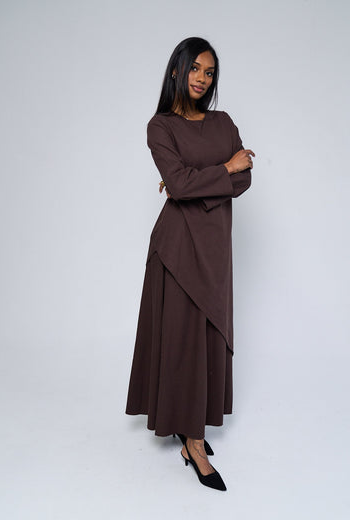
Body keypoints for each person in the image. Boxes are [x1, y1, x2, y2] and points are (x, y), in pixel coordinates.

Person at [125, 36, 255, 491]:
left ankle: (191, 427)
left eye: (210, 71)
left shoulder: (223, 122)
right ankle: (193, 444)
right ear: (177, 70)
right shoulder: (160, 127)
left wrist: (196, 181)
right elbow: (180, 186)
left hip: (215, 247)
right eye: (195, 68)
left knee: (207, 336)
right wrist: (223, 170)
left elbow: (244, 181)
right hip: (177, 249)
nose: (202, 78)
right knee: (183, 340)